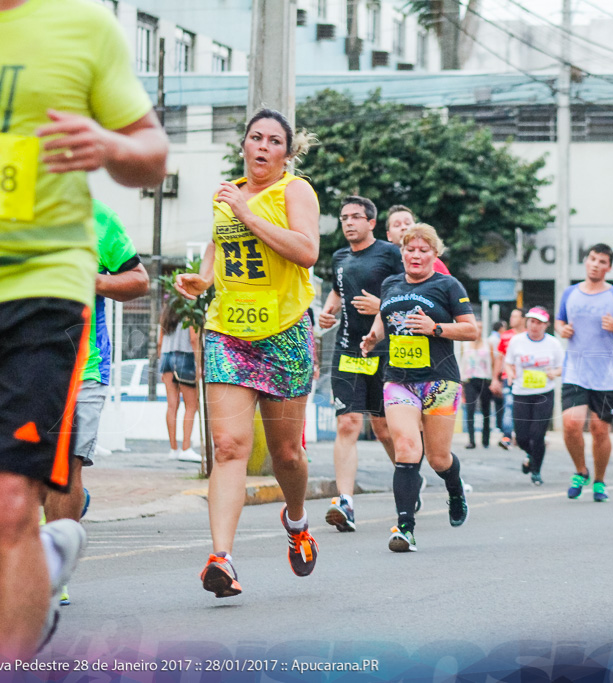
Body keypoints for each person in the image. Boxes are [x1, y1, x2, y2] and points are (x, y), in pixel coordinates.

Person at [0, 0, 167, 662]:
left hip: (40, 291)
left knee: (7, 503)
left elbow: (152, 152)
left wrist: (111, 144)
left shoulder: (83, 24)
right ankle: (48, 548)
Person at [175, 108, 319, 596]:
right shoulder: (227, 196)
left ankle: (296, 522)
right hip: (229, 333)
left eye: (273, 141)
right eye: (254, 137)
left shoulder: (294, 192)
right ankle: (222, 558)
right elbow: (216, 260)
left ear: (286, 152)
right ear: (244, 145)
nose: (262, 147)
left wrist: (246, 211)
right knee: (230, 446)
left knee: (286, 455)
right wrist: (200, 281)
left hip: (283, 333)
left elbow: (306, 252)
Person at [45, 200, 149, 607]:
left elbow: (138, 280)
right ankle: (65, 510)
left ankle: (55, 570)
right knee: (25, 468)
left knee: (66, 466)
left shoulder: (99, 218)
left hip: (82, 364)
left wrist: (96, 281)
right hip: (17, 361)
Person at [360, 223, 477, 552]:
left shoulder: (448, 285)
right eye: (410, 249)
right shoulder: (391, 283)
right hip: (399, 380)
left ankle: (455, 490)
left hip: (440, 381)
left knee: (439, 458)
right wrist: (373, 336)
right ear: (402, 253)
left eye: (424, 250)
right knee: (407, 449)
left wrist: (435, 327)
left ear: (434, 255)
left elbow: (471, 330)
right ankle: (405, 527)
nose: (416, 255)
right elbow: (385, 316)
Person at [317, 195, 403, 532]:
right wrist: (328, 312)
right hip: (348, 350)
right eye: (343, 218)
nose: (349, 222)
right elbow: (338, 292)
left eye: (356, 217)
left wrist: (381, 306)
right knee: (348, 423)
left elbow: (405, 293)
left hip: (383, 350)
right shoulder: (339, 257)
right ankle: (345, 502)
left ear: (370, 222)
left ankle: (407, 478)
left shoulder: (390, 253)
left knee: (382, 428)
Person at [556, 243, 613, 502]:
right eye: (593, 259)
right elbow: (559, 320)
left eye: (602, 261)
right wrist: (562, 329)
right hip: (575, 372)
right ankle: (581, 471)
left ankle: (600, 481)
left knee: (599, 430)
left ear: (608, 267)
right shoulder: (570, 293)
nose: (595, 264)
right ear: (586, 261)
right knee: (571, 424)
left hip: (606, 375)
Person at [504, 306, 565, 485]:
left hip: (544, 393)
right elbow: (508, 363)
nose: (534, 326)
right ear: (527, 322)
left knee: (538, 435)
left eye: (539, 323)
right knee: (522, 436)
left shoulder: (553, 343)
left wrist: (554, 372)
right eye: (532, 321)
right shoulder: (517, 341)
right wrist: (510, 374)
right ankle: (530, 455)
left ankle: (536, 471)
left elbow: (563, 367)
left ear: (546, 325)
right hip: (521, 392)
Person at [158, 300, 201, 463]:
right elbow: (193, 337)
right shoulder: (190, 310)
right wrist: (198, 364)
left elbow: (159, 342)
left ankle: (173, 449)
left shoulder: (166, 313)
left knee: (171, 405)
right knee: (191, 405)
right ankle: (186, 448)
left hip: (166, 358)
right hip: (185, 357)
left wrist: (161, 362)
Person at [490, 308, 526, 449]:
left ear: (523, 319)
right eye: (511, 316)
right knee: (509, 406)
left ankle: (522, 435)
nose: (512, 319)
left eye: (515, 316)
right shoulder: (505, 336)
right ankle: (507, 436)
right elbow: (500, 359)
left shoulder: (529, 335)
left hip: (526, 379)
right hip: (508, 378)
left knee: (524, 408)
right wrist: (495, 378)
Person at [459, 320, 495, 449]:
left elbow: (493, 362)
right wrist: (461, 382)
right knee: (470, 410)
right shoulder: (465, 344)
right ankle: (471, 440)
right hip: (469, 379)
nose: (478, 330)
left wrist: (494, 380)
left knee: (486, 410)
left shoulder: (488, 344)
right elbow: (462, 362)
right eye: (476, 327)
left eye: (480, 327)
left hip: (485, 379)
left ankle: (486, 440)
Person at [386, 205, 449, 274]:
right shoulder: (382, 262)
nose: (404, 227)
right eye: (397, 225)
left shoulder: (432, 262)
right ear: (389, 235)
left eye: (407, 223)